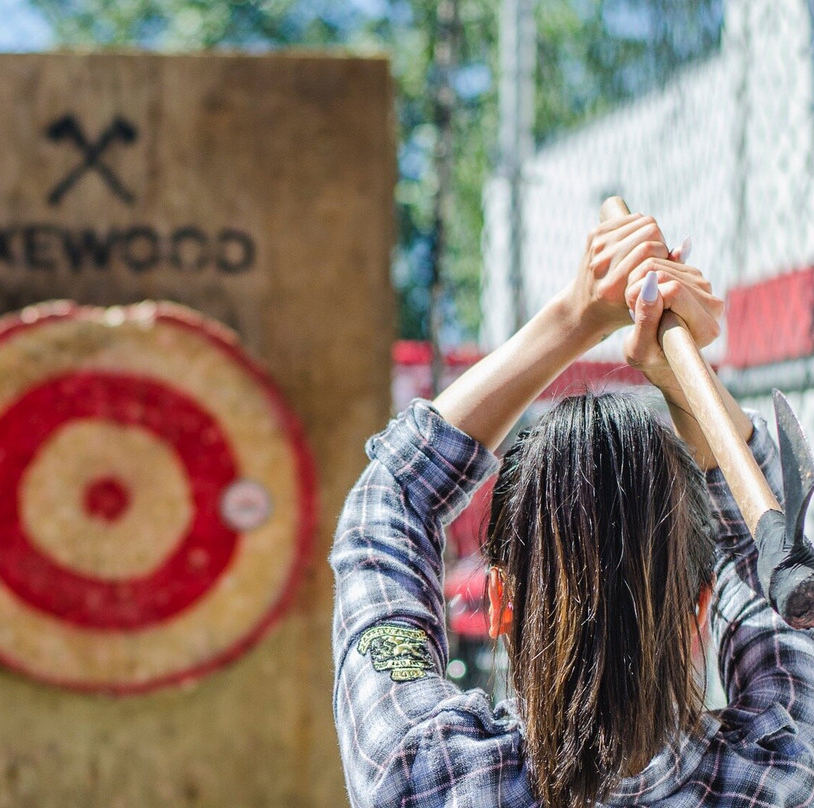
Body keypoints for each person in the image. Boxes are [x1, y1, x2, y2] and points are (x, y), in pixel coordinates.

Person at [331, 212, 814, 807]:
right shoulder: (781, 775)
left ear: (500, 603)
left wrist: (575, 317)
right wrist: (682, 381)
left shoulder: (427, 776)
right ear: (700, 611)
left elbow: (392, 500)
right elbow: (760, 549)